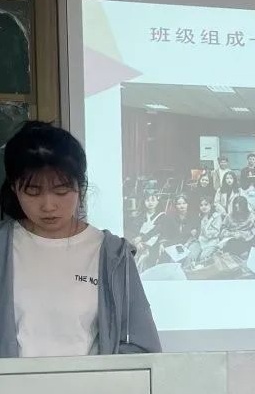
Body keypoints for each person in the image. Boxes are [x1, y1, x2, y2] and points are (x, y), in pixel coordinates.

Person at [0, 121, 161, 357]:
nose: (48, 205)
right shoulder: (4, 247)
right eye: (33, 191)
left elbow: (141, 347)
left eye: (61, 190)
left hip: (92, 382)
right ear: (14, 188)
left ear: (80, 186)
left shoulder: (112, 254)